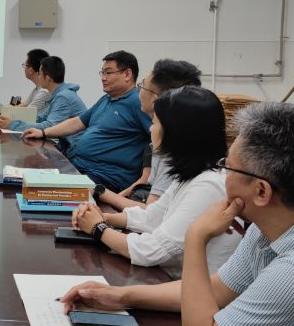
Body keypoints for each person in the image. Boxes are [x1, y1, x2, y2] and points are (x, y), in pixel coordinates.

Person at [59, 102, 294, 325]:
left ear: (262, 191)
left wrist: (197, 237)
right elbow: (217, 290)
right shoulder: (283, 220)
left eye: (228, 167)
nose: (222, 175)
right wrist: (119, 296)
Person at [71, 86, 240, 278]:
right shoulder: (192, 174)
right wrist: (103, 217)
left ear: (176, 133)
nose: (151, 129)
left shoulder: (208, 186)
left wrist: (98, 228)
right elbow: (153, 216)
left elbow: (151, 251)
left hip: (182, 286)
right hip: (169, 277)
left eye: (155, 122)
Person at [23, 51, 151, 191]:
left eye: (108, 73)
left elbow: (158, 140)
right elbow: (77, 122)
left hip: (105, 177)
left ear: (127, 74)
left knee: (39, 188)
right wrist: (43, 132)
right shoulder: (106, 99)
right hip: (80, 167)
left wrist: (144, 180)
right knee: (28, 178)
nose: (103, 78)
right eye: (102, 73)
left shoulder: (137, 101)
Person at [97, 59, 203, 209]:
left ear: (155, 98)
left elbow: (152, 212)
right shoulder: (171, 134)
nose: (138, 91)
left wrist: (101, 193)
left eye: (141, 86)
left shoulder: (170, 145)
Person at [0, 56, 86, 141]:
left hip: (74, 149)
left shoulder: (63, 97)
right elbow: (39, 118)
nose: (38, 76)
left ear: (48, 78)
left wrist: (12, 125)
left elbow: (48, 127)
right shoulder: (59, 94)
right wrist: (7, 117)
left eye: (39, 73)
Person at [16, 49, 52, 114]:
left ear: (31, 70)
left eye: (25, 65)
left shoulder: (44, 92)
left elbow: (25, 113)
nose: (24, 68)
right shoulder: (36, 89)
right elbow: (25, 104)